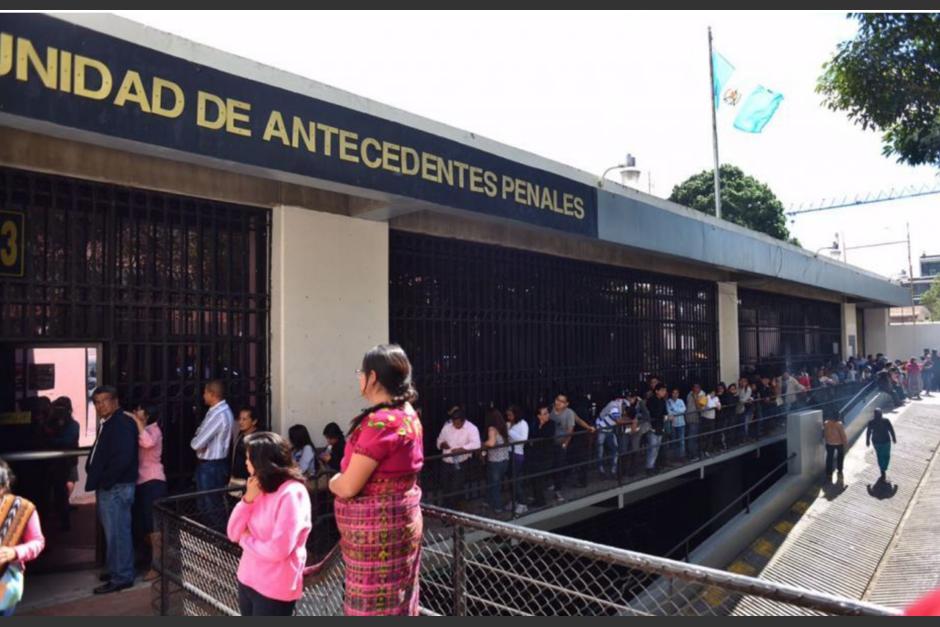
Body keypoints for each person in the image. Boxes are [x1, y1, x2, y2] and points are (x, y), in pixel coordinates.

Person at [329, 344, 424, 616]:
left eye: (361, 372)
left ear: (372, 378)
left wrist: (335, 480)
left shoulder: (381, 423)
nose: (359, 377)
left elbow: (349, 486)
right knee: (398, 599)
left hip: (376, 540)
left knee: (372, 605)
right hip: (403, 527)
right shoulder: (408, 415)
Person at [226, 432, 311, 616]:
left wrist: (246, 539)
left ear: (262, 462)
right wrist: (247, 499)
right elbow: (233, 532)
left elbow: (278, 549)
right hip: (247, 579)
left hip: (275, 587)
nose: (246, 463)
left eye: (249, 459)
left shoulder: (292, 493)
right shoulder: (257, 487)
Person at [85, 386, 138, 594]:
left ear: (115, 401)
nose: (100, 405)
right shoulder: (108, 422)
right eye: (97, 402)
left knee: (118, 533)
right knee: (113, 533)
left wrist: (106, 481)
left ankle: (122, 576)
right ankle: (117, 569)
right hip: (111, 487)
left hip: (116, 488)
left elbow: (124, 458)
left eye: (104, 400)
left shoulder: (122, 423)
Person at [0, 460, 45, 617]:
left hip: (4, 580)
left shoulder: (22, 508)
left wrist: (15, 552)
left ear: (3, 488)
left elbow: (38, 542)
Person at [191, 380, 234, 526]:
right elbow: (199, 433)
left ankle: (219, 541)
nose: (203, 395)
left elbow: (197, 442)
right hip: (211, 465)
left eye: (205, 392)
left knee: (211, 506)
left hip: (212, 466)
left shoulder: (219, 415)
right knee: (206, 504)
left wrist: (197, 442)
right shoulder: (216, 411)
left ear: (212, 394)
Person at [131, 404, 167, 582]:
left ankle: (158, 565)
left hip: (153, 481)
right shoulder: (143, 429)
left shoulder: (154, 431)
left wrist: (138, 423)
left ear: (147, 415)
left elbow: (147, 442)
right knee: (143, 525)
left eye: (139, 410)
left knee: (154, 526)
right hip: (142, 482)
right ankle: (150, 560)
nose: (136, 412)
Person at [549, 394, 594, 500]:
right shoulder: (550, 410)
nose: (558, 402)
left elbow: (571, 430)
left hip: (561, 443)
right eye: (557, 400)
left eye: (561, 401)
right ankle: (556, 484)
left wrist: (565, 444)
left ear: (566, 404)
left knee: (559, 465)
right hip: (551, 443)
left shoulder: (569, 413)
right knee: (553, 465)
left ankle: (557, 489)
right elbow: (578, 420)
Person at [435, 407, 480, 508]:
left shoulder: (472, 428)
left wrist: (461, 449)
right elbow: (438, 441)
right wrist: (442, 444)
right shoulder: (447, 427)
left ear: (463, 421)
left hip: (461, 462)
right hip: (446, 461)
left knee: (456, 487)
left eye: (458, 424)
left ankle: (451, 510)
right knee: (445, 486)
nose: (455, 426)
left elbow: (476, 444)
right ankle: (450, 508)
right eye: (454, 423)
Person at [47, 397, 80, 531]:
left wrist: (49, 438)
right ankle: (61, 511)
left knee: (63, 488)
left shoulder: (72, 424)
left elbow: (67, 441)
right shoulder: (51, 422)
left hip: (65, 460)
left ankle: (64, 517)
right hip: (54, 461)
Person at [528, 405, 556, 508]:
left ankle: (541, 501)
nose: (546, 415)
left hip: (545, 456)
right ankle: (537, 499)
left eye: (547, 413)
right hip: (535, 455)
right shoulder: (535, 424)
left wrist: (536, 437)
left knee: (539, 478)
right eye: (543, 414)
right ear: (539, 416)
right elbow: (531, 435)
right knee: (534, 479)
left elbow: (546, 435)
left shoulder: (551, 424)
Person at [482, 408, 510, 512]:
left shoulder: (492, 429)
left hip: (495, 461)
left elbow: (491, 443)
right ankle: (488, 501)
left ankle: (498, 507)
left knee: (494, 485)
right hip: (504, 459)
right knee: (494, 483)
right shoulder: (503, 427)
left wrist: (483, 444)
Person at [505, 405, 529, 515]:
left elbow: (523, 439)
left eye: (510, 415)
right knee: (510, 479)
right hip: (508, 453)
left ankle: (523, 503)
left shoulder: (523, 424)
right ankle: (514, 500)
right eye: (508, 415)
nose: (509, 417)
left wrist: (509, 432)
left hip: (517, 453)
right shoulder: (508, 424)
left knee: (516, 480)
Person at [595, 395, 626, 476]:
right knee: (603, 450)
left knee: (608, 449)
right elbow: (618, 420)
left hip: (607, 429)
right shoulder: (614, 406)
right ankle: (605, 470)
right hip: (603, 429)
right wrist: (632, 421)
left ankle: (610, 470)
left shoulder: (614, 404)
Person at [230, 407, 260, 484]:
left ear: (254, 421)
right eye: (239, 419)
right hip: (237, 479)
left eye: (244, 419)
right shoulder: (241, 435)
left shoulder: (257, 438)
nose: (240, 422)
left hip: (250, 480)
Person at [866, 408, 897, 482]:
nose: (879, 415)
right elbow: (868, 432)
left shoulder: (885, 421)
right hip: (880, 442)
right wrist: (867, 440)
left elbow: (891, 429)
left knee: (883, 456)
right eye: (878, 414)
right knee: (883, 456)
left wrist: (893, 438)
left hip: (882, 441)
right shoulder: (872, 422)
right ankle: (883, 470)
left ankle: (883, 469)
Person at [644, 385, 668, 475]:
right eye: (662, 390)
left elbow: (665, 412)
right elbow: (654, 413)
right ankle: (649, 467)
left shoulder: (662, 400)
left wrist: (665, 416)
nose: (664, 392)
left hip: (660, 426)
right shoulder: (651, 400)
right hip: (652, 427)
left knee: (657, 448)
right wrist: (663, 415)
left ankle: (652, 465)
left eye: (665, 391)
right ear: (657, 391)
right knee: (652, 448)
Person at [685, 384, 705, 461]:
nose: (695, 389)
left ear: (699, 388)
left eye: (697, 387)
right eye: (694, 387)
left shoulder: (703, 396)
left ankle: (694, 454)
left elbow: (700, 409)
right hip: (689, 418)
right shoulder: (689, 394)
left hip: (696, 419)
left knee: (694, 437)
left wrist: (696, 398)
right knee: (691, 437)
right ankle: (692, 455)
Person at [666, 388, 686, 461]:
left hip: (681, 423)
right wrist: (677, 411)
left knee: (681, 441)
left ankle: (681, 457)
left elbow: (683, 410)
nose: (675, 394)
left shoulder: (681, 401)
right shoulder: (668, 401)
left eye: (676, 393)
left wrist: (674, 409)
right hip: (673, 424)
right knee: (674, 441)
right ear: (671, 394)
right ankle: (674, 457)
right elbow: (669, 412)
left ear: (678, 394)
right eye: (673, 393)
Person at [701, 388, 721, 456]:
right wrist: (707, 403)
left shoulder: (716, 398)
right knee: (704, 435)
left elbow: (719, 407)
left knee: (711, 435)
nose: (712, 394)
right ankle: (703, 450)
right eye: (711, 393)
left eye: (713, 393)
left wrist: (717, 404)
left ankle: (708, 449)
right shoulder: (705, 398)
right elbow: (702, 408)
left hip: (712, 419)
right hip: (705, 418)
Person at [736, 378, 754, 442]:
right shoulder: (737, 388)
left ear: (746, 382)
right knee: (739, 424)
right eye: (741, 381)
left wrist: (740, 400)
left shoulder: (748, 389)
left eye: (744, 381)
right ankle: (739, 438)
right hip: (738, 409)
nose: (742, 383)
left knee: (744, 423)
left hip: (746, 408)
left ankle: (744, 438)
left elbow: (743, 399)